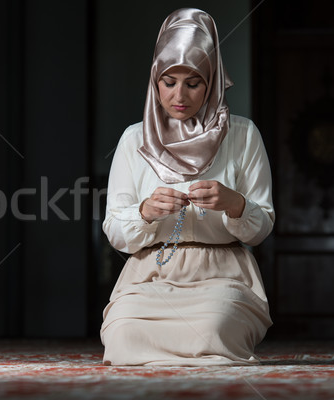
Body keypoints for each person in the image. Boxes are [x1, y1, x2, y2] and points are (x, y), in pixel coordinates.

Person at [100, 8, 274, 366]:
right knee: (123, 333)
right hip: (150, 276)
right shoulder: (134, 140)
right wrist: (145, 212)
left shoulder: (242, 135)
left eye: (193, 83)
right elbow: (115, 231)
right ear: (154, 81)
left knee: (213, 327)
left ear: (211, 82)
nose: (179, 95)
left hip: (222, 275)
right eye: (168, 82)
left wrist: (234, 203)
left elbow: (262, 226)